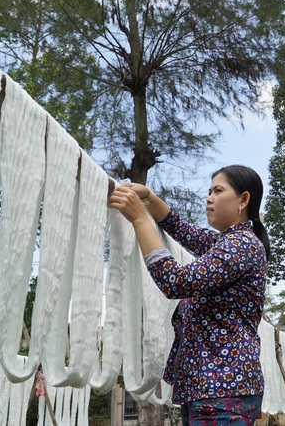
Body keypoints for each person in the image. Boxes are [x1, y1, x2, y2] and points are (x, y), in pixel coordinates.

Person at [107, 164, 270, 426]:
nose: (209, 197)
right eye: (209, 190)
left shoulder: (242, 245)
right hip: (210, 386)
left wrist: (139, 218)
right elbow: (179, 228)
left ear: (243, 199)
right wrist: (148, 197)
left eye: (218, 190)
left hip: (222, 387)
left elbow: (177, 282)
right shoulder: (224, 243)